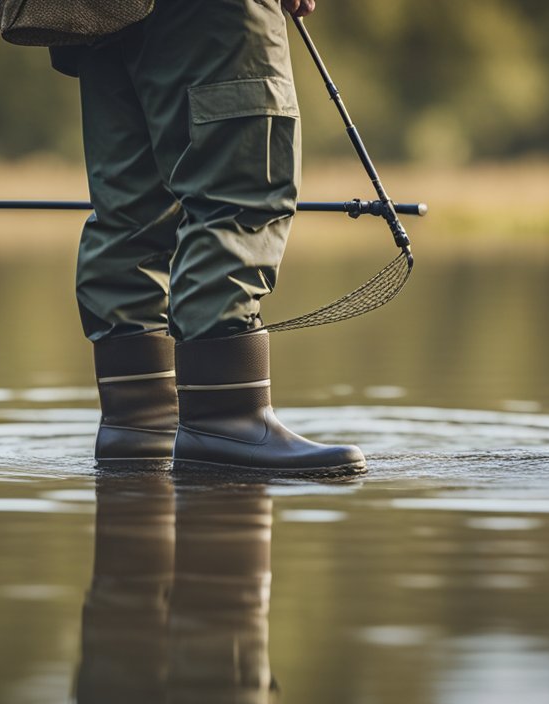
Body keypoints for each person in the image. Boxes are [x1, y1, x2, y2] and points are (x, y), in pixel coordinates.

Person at [53, 0, 366, 476]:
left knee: (131, 208)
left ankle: (140, 423)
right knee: (240, 186)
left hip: (96, 13)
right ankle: (227, 421)